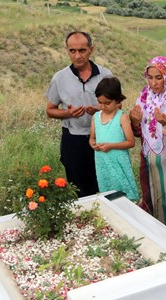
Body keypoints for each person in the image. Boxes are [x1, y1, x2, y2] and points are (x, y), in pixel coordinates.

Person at [45, 31, 112, 197]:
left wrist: (100, 109)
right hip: (73, 140)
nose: (77, 56)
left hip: (102, 139)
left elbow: (118, 105)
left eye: (82, 50)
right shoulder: (60, 78)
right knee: (78, 190)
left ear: (91, 49)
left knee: (103, 187)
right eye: (72, 51)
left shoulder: (105, 75)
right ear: (67, 50)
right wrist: (68, 113)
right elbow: (50, 110)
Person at [130, 56, 166, 228]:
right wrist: (134, 122)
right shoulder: (144, 98)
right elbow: (139, 133)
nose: (153, 83)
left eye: (158, 77)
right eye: (150, 77)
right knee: (152, 195)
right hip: (149, 159)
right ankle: (155, 230)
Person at [90, 77, 139, 202]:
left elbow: (131, 142)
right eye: (100, 102)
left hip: (118, 162)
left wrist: (111, 146)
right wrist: (93, 144)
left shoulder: (121, 118)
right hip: (102, 162)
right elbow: (92, 138)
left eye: (107, 103)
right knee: (107, 194)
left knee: (123, 194)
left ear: (117, 101)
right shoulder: (96, 117)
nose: (103, 106)